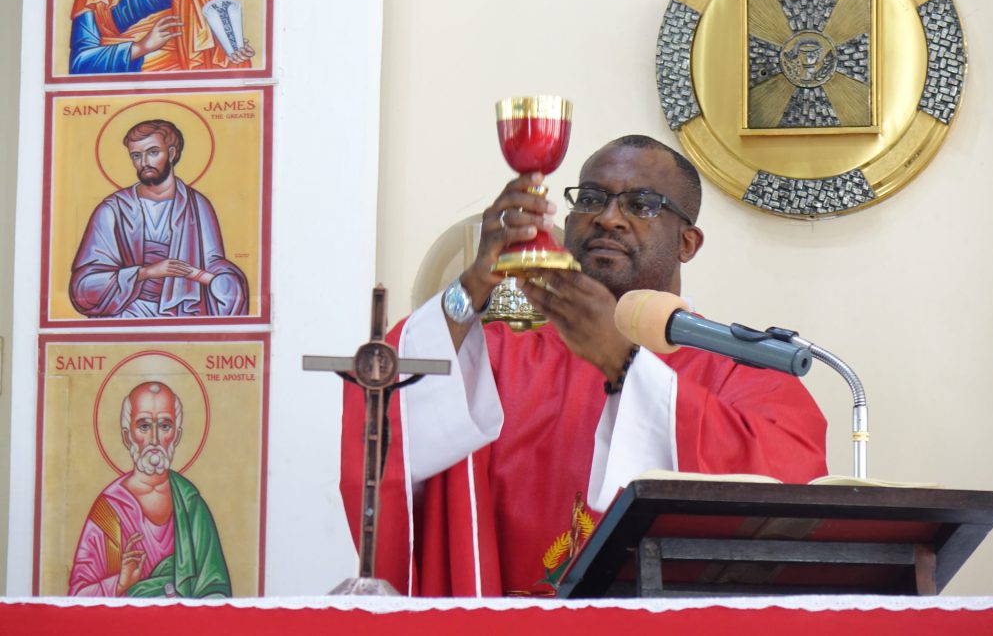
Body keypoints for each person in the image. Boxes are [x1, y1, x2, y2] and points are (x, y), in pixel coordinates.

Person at [341, 135, 827, 596]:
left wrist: (623, 360)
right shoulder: (497, 359)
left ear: (687, 244)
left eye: (642, 205)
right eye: (592, 198)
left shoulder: (742, 367)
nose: (609, 218)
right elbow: (387, 406)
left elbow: (783, 493)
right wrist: (471, 284)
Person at [69, 119, 249, 318]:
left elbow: (214, 265)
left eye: (153, 152)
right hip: (125, 312)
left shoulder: (197, 206)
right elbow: (84, 287)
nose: (144, 162)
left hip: (184, 311)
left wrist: (197, 275)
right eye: (136, 156)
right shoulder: (112, 210)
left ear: (171, 154)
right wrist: (146, 273)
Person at [69, 382, 230, 597]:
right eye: (144, 426)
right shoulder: (108, 510)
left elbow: (216, 592)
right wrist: (119, 583)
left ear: (177, 435)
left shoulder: (191, 505)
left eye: (165, 426)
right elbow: (76, 599)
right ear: (128, 437)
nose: (154, 439)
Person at [69, 0, 256, 74]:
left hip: (189, 91)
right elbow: (79, 64)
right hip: (124, 91)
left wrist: (235, 56)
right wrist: (142, 47)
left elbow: (215, 58)